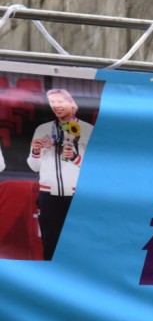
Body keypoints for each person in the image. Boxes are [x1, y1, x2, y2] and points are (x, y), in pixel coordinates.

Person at [27, 89, 93, 260]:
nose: (56, 106)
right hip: (48, 195)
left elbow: (97, 168)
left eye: (60, 102)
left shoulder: (87, 130)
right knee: (50, 243)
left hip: (78, 195)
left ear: (72, 103)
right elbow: (34, 167)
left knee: (78, 242)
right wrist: (35, 151)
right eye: (52, 102)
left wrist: (76, 157)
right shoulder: (42, 129)